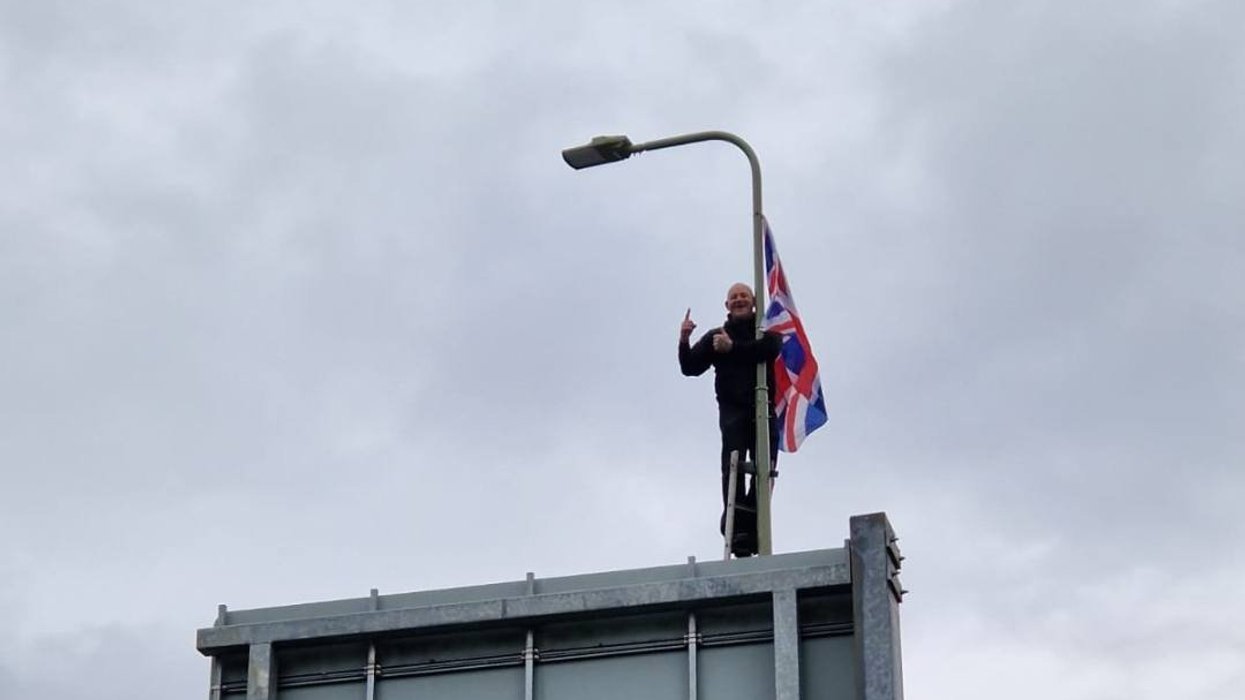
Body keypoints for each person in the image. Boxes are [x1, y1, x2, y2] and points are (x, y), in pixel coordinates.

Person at [678, 283, 781, 557]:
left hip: (764, 409)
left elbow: (767, 350)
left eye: (743, 296)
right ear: (727, 305)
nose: (739, 300)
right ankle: (736, 530)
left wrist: (732, 348)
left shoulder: (767, 333)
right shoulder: (716, 336)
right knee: (733, 466)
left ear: (754, 302)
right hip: (733, 409)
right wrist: (684, 338)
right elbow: (690, 367)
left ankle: (755, 525)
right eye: (734, 297)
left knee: (765, 467)